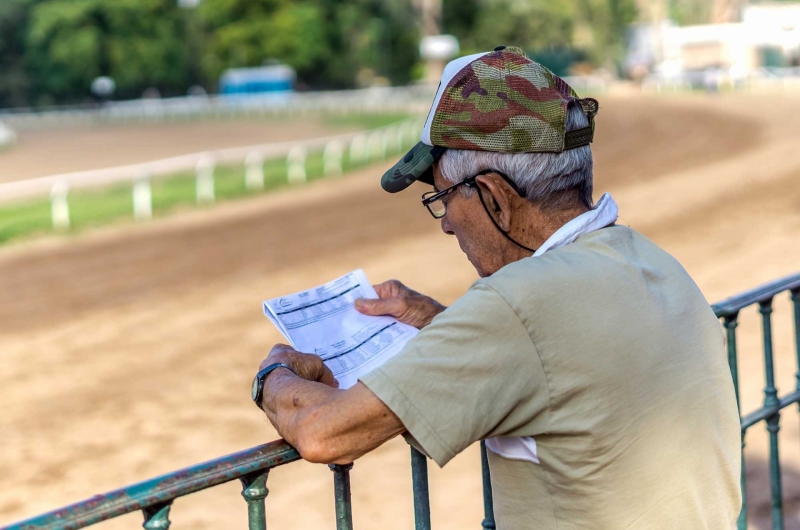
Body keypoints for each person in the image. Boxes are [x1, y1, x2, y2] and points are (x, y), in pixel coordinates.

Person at [252, 47, 742, 528]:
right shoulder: (649, 259)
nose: (446, 226)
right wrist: (439, 321)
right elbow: (557, 358)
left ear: (494, 197)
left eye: (442, 198)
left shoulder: (518, 306)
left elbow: (323, 433)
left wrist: (274, 372)